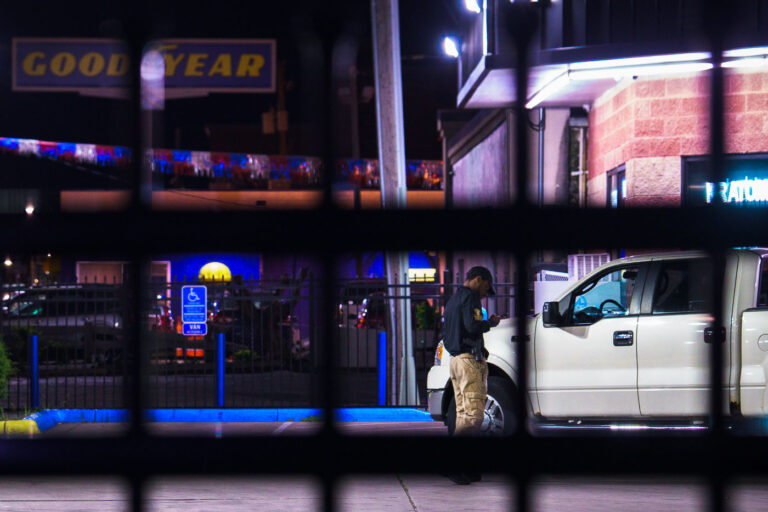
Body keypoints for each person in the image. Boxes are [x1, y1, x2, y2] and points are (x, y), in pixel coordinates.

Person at [442, 266, 501, 485]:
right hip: (469, 361)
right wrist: (490, 323)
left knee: (462, 415)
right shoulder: (471, 298)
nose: (486, 292)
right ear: (478, 280)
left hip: (455, 362)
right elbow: (473, 326)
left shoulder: (453, 299)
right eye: (486, 287)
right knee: (474, 416)